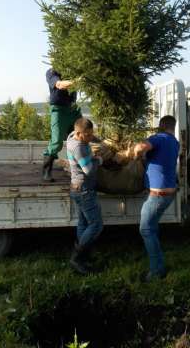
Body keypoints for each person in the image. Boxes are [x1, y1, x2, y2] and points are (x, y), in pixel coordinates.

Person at [134, 115, 180, 281]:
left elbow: (140, 147)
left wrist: (135, 154)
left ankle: (157, 270)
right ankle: (155, 258)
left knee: (145, 229)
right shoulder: (174, 142)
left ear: (161, 126)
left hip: (158, 195)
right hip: (168, 194)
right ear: (172, 127)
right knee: (152, 228)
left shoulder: (159, 138)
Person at [66, 117, 104, 274]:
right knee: (96, 225)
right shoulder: (78, 148)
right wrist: (99, 160)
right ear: (78, 133)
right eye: (87, 135)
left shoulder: (71, 137)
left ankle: (84, 255)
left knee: (83, 222)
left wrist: (101, 141)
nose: (90, 138)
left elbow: (87, 138)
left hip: (77, 188)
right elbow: (88, 170)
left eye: (91, 134)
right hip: (84, 189)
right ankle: (77, 259)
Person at [42, 68, 82, 182]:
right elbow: (59, 85)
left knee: (82, 135)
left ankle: (80, 167)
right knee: (56, 142)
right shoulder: (51, 73)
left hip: (73, 110)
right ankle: (46, 171)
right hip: (58, 110)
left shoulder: (73, 71)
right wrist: (77, 81)